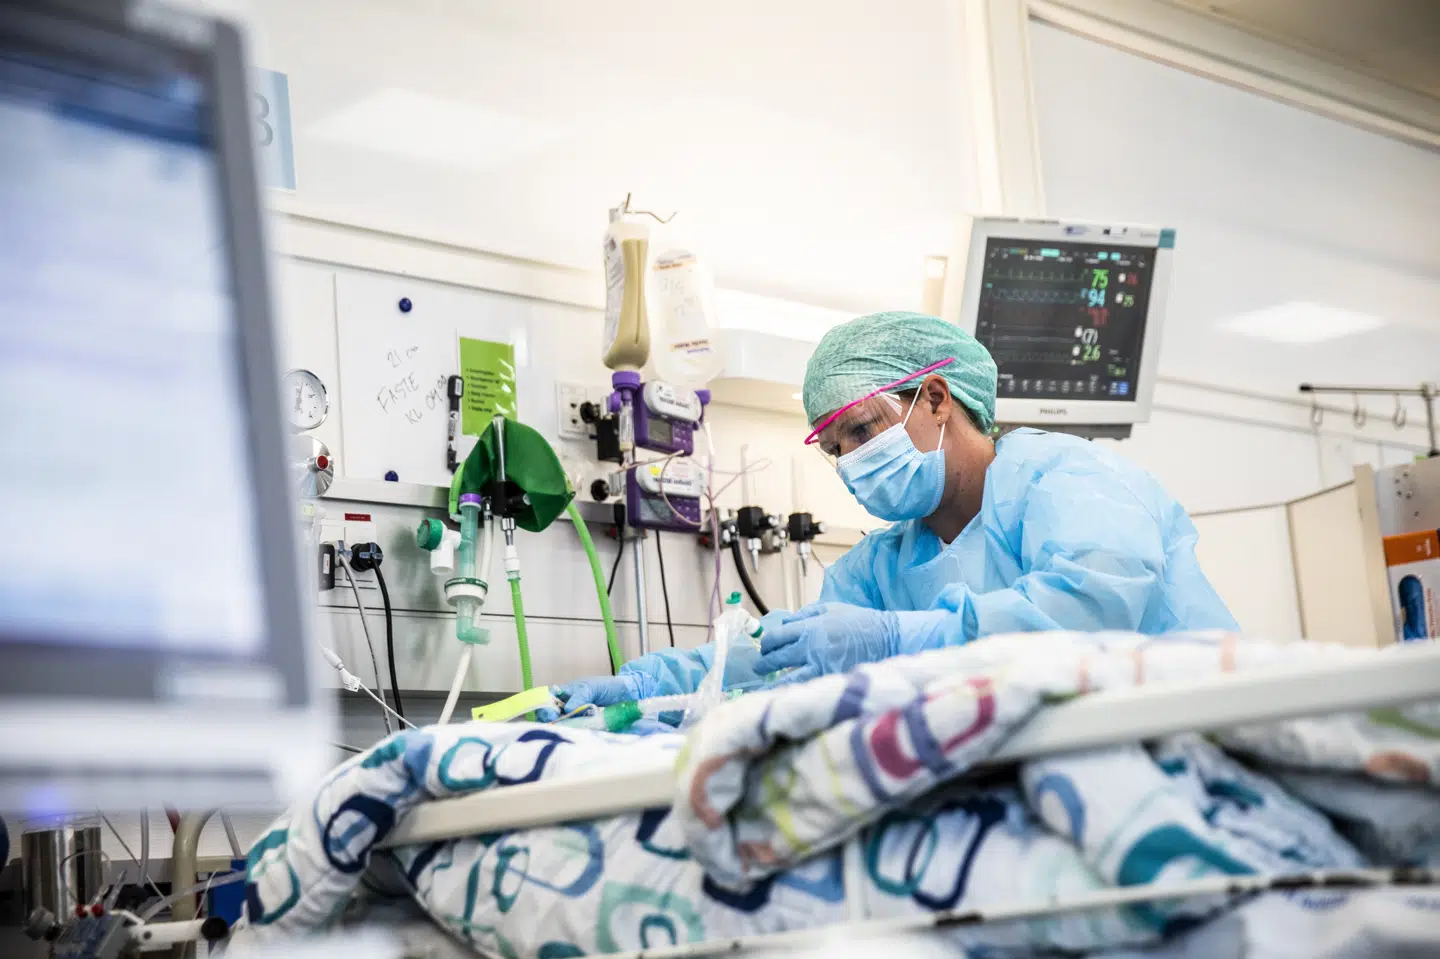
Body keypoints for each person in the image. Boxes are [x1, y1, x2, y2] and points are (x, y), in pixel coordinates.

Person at [550, 311, 1236, 714]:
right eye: (834, 447)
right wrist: (648, 685)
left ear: (936, 398)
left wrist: (896, 638)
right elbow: (779, 660)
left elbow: (1089, 614)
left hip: (1194, 731)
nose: (849, 460)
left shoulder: (1069, 481)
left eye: (862, 429)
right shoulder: (880, 570)